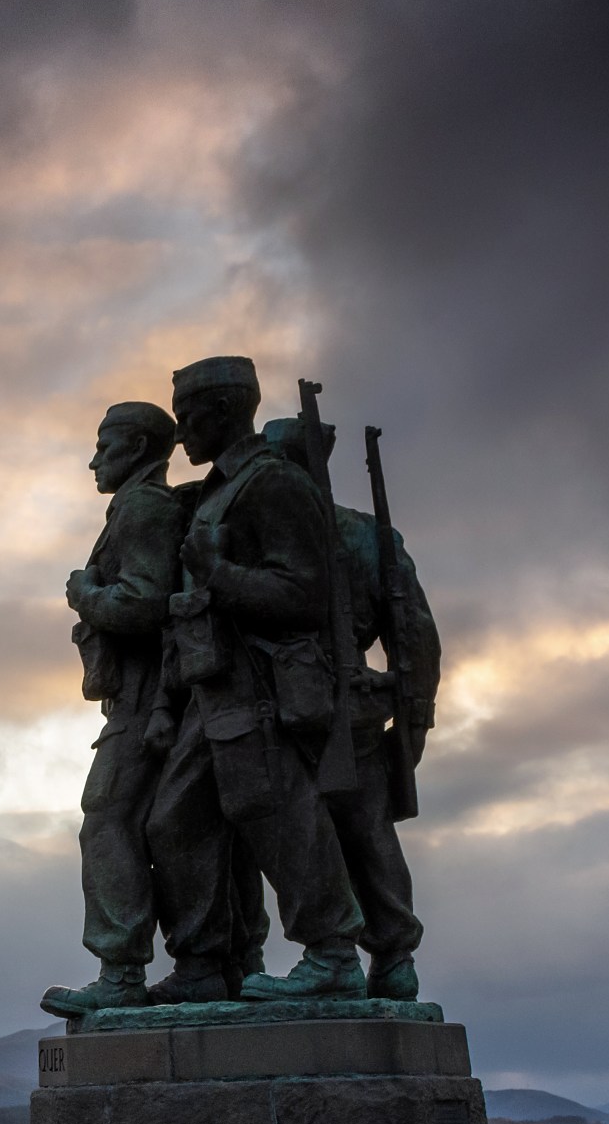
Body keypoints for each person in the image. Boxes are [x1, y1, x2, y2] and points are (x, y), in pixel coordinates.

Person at [142, 356, 366, 1002]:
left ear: (223, 413)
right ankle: (203, 965)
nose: (180, 433)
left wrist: (220, 574)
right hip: (207, 689)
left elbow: (306, 593)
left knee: (278, 811)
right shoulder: (215, 492)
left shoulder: (272, 485)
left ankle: (332, 954)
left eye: (188, 418)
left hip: (258, 685)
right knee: (174, 820)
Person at [254, 415, 440, 999]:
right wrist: (413, 713)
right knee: (361, 830)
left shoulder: (290, 535)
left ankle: (378, 956)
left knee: (347, 828)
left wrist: (411, 717)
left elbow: (412, 633)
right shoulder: (363, 535)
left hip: (307, 706)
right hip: (331, 701)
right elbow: (415, 637)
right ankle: (389, 954)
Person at [41, 402, 187, 1019]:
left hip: (146, 699)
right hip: (147, 698)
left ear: (137, 447)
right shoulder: (137, 507)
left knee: (106, 816)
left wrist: (85, 593)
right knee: (164, 829)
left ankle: (121, 972)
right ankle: (202, 964)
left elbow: (142, 603)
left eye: (105, 446)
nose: (94, 459)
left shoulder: (142, 507)